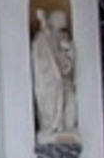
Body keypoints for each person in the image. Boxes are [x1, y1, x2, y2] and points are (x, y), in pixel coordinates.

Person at [30, 8, 78, 141]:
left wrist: (69, 52)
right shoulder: (42, 37)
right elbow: (40, 59)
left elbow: (68, 61)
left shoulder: (63, 38)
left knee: (70, 102)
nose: (64, 22)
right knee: (52, 103)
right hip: (50, 81)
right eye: (61, 18)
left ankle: (65, 127)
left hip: (63, 79)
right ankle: (52, 126)